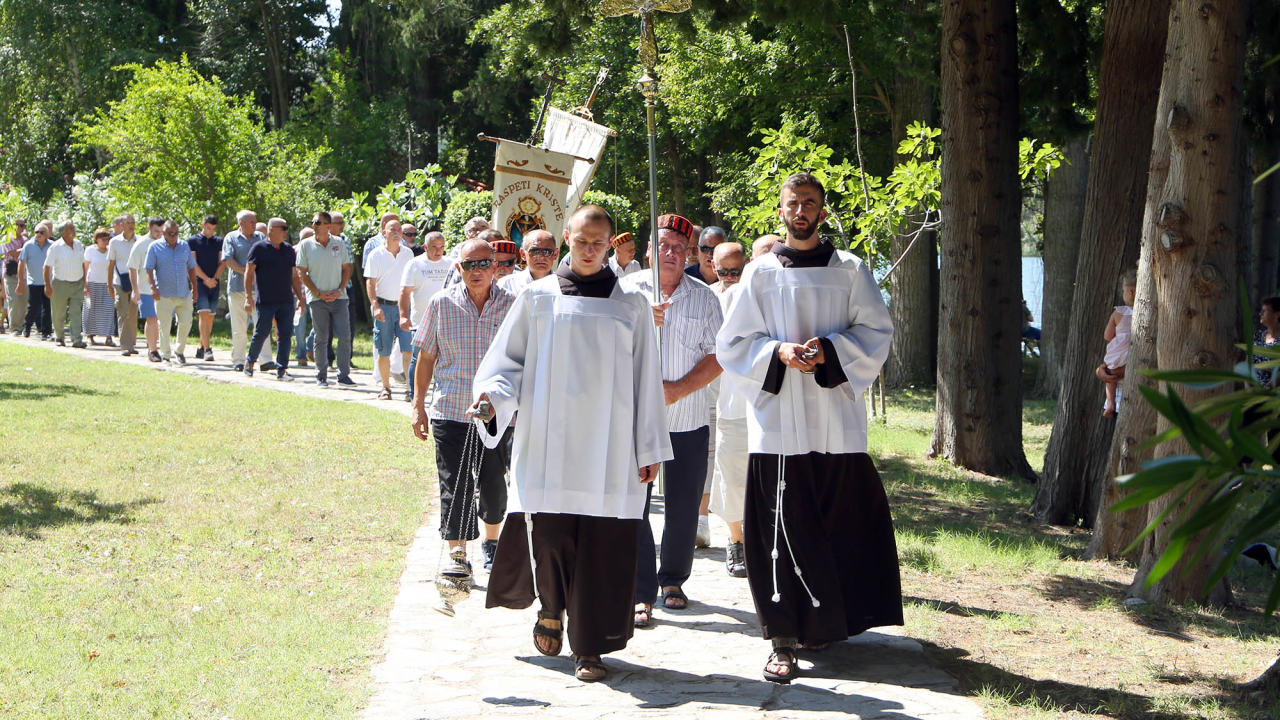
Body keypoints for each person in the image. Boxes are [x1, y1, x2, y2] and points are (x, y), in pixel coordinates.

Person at [471, 204, 672, 683]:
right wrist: (491, 398)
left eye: (598, 244)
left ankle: (589, 647)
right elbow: (506, 364)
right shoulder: (538, 299)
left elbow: (647, 378)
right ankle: (550, 608)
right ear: (566, 237)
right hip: (550, 440)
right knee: (554, 537)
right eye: (581, 241)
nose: (588, 250)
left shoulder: (631, 305)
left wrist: (650, 448)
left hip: (612, 447)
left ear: (610, 246)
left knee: (603, 547)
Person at [717, 172, 900, 684]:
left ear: (822, 210)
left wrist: (830, 351)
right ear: (780, 211)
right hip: (777, 421)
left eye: (810, 204)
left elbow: (876, 333)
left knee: (831, 521)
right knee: (779, 527)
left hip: (834, 419)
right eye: (793, 204)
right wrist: (775, 352)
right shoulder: (757, 274)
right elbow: (731, 345)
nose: (801, 211)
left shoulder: (851, 270)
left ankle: (821, 622)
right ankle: (780, 638)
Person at [622, 213, 723, 627]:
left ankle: (673, 580)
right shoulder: (624, 292)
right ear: (649, 249)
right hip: (635, 420)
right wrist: (641, 320)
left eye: (679, 248)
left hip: (687, 418)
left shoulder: (705, 298)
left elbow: (719, 356)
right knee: (636, 506)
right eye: (662, 245)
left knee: (682, 506)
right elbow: (604, 348)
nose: (670, 253)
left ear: (691, 254)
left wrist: (677, 388)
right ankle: (641, 589)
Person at [410, 238, 516, 577]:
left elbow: (523, 361)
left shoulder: (513, 306)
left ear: (496, 267)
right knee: (455, 486)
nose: (477, 271)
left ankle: (492, 541)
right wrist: (418, 406)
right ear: (459, 268)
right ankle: (458, 554)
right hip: (450, 410)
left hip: (496, 414)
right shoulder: (441, 304)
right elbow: (426, 359)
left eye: (484, 263)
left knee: (494, 484)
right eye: (469, 264)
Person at [709, 241, 750, 577]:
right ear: (712, 266)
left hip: (769, 405)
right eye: (724, 272)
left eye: (738, 271)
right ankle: (735, 542)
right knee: (732, 478)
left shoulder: (761, 295)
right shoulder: (710, 298)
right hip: (731, 404)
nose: (732, 277)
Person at [297, 211, 355, 388]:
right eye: (313, 221)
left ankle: (343, 375)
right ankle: (321, 376)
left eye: (318, 222)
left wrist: (340, 289)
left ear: (328, 226)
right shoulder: (306, 245)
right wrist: (317, 292)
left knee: (345, 336)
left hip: (340, 298)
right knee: (321, 337)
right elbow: (301, 272)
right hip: (317, 299)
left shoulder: (339, 243)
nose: (314, 225)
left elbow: (347, 268)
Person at [243, 218, 304, 381]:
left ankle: (282, 369)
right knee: (262, 332)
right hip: (266, 300)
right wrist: (248, 297)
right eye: (282, 228)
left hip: (286, 300)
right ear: (271, 230)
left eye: (287, 228)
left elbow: (294, 276)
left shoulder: (288, 250)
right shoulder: (258, 248)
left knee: (285, 335)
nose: (286, 232)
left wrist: (300, 299)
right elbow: (248, 273)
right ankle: (250, 361)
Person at [365, 219, 415, 399]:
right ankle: (385, 388)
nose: (396, 232)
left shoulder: (408, 254)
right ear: (383, 232)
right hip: (384, 306)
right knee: (383, 350)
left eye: (399, 229)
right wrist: (375, 306)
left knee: (408, 349)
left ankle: (411, 389)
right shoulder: (375, 255)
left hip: (405, 308)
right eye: (392, 229)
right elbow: (370, 283)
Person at [399, 230, 451, 400]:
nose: (438, 251)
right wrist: (403, 316)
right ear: (425, 247)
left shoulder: (451, 264)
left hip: (446, 321)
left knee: (443, 360)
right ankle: (415, 394)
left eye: (442, 247)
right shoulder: (414, 264)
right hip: (420, 320)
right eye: (434, 247)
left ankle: (440, 394)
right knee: (418, 358)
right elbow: (405, 292)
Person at [223, 210, 274, 372]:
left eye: (255, 220)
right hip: (238, 289)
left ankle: (265, 360)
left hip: (260, 289)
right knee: (239, 328)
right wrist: (247, 272)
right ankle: (239, 360)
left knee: (263, 326)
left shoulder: (261, 238)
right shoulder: (231, 238)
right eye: (251, 221)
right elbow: (228, 260)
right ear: (241, 223)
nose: (255, 224)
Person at [144, 221, 197, 365]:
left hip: (184, 293)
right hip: (164, 294)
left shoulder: (184, 246)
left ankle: (179, 351)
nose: (173, 236)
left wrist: (195, 287)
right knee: (164, 325)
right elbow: (148, 269)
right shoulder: (155, 247)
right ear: (163, 233)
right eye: (170, 233)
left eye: (176, 233)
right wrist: (153, 288)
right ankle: (165, 355)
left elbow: (191, 267)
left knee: (186, 322)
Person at [1097, 271, 1136, 418]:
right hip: (1131, 354)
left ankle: (1110, 402)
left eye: (1123, 291)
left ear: (1130, 292)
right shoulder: (1150, 313)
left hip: (1118, 354)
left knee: (1111, 376)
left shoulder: (1118, 312)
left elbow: (1107, 336)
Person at [128, 217, 166, 362]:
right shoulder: (141, 244)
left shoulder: (165, 242)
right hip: (145, 288)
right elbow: (132, 267)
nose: (159, 234)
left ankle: (161, 347)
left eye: (161, 231)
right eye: (156, 231)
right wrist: (135, 289)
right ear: (149, 228)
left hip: (164, 288)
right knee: (152, 319)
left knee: (162, 320)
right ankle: (152, 350)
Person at [45, 219, 87, 348]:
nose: (73, 230)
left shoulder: (79, 244)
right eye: (70, 229)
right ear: (63, 232)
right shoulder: (55, 247)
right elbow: (46, 267)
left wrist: (84, 281)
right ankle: (59, 337)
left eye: (73, 228)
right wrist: (47, 285)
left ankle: (76, 339)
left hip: (77, 283)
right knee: (59, 312)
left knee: (76, 312)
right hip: (60, 284)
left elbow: (83, 264)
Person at [188, 215, 224, 361]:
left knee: (210, 316)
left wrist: (214, 279)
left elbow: (222, 262)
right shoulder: (193, 241)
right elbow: (193, 264)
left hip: (214, 283)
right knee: (203, 313)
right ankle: (208, 349)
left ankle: (202, 347)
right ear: (202, 225)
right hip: (199, 282)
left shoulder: (219, 242)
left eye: (214, 229)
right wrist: (205, 279)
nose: (211, 232)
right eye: (209, 228)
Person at [106, 215, 140, 355]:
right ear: (122, 225)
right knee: (123, 312)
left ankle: (131, 343)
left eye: (132, 223)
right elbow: (111, 264)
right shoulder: (114, 242)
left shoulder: (139, 241)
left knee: (132, 313)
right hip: (119, 281)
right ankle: (124, 345)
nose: (131, 225)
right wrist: (109, 285)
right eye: (128, 223)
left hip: (136, 281)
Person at [81, 228, 116, 346]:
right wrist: (84, 284)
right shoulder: (90, 250)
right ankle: (90, 335)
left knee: (108, 310)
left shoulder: (110, 251)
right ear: (97, 239)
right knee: (90, 309)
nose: (105, 242)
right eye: (103, 239)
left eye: (107, 239)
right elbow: (85, 268)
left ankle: (108, 336)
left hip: (107, 284)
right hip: (92, 283)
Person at [17, 222, 52, 339]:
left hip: (48, 282)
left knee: (47, 307)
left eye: (42, 232)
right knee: (33, 306)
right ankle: (26, 328)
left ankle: (46, 331)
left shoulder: (52, 246)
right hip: (33, 282)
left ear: (47, 234)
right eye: (37, 232)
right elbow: (21, 264)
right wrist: (20, 282)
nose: (39, 234)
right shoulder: (28, 246)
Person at [498, 229, 556, 295]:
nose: (541, 256)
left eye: (547, 252)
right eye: (534, 251)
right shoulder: (507, 285)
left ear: (555, 254)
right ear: (523, 254)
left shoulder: (562, 286)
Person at [3, 219, 28, 334]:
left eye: (24, 225)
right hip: (11, 274)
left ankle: (21, 325)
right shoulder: (7, 239)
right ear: (14, 226)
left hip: (24, 274)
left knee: (23, 301)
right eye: (21, 225)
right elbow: (14, 254)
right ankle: (14, 327)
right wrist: (27, 248)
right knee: (13, 300)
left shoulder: (25, 240)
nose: (23, 228)